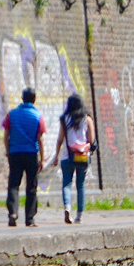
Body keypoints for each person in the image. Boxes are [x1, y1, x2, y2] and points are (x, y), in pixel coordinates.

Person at [46, 93, 96, 225]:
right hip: (83, 157)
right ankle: (79, 215)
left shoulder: (64, 119)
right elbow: (91, 140)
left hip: (67, 156)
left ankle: (67, 207)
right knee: (81, 185)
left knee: (66, 184)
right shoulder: (87, 119)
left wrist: (56, 156)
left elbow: (59, 139)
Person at [2, 87, 46, 227]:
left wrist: (8, 151)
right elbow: (40, 139)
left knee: (13, 185)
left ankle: (13, 213)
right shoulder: (37, 116)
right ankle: (30, 218)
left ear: (22, 98)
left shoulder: (12, 114)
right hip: (31, 154)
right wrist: (42, 158)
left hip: (15, 153)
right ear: (34, 99)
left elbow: (6, 135)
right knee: (31, 187)